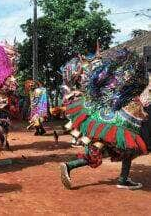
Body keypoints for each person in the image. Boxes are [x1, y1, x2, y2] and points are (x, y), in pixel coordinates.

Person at [60, 47, 149, 190]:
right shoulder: (124, 78)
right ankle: (70, 166)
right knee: (118, 149)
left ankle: (122, 179)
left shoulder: (113, 75)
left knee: (118, 150)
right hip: (115, 121)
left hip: (103, 119)